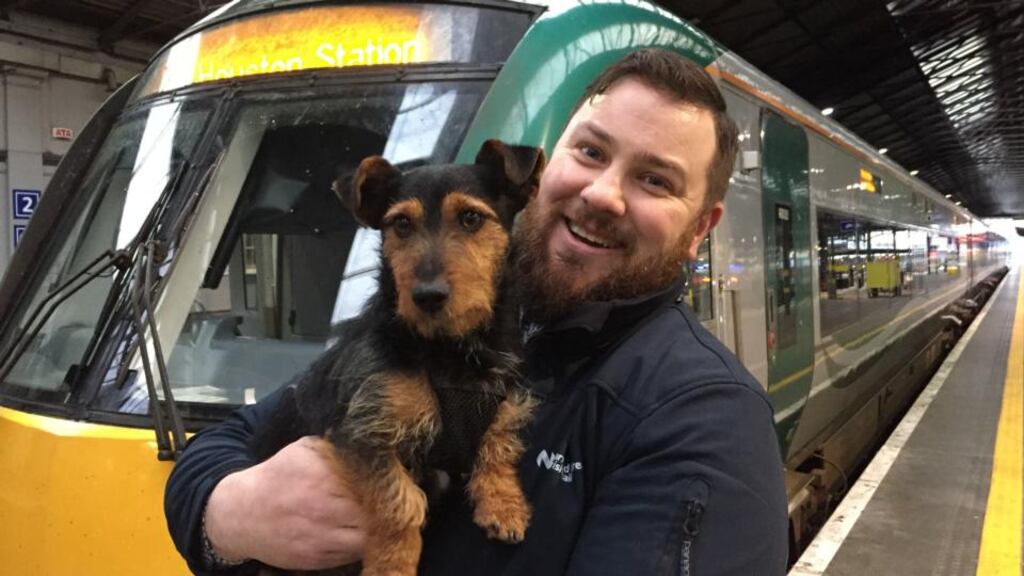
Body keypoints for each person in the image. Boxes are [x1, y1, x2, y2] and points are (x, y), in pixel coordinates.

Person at [165, 48, 789, 575]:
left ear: (699, 230)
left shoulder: (703, 418)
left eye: (656, 180)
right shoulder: (422, 329)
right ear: (544, 169)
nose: (602, 193)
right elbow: (228, 441)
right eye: (592, 152)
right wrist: (231, 512)